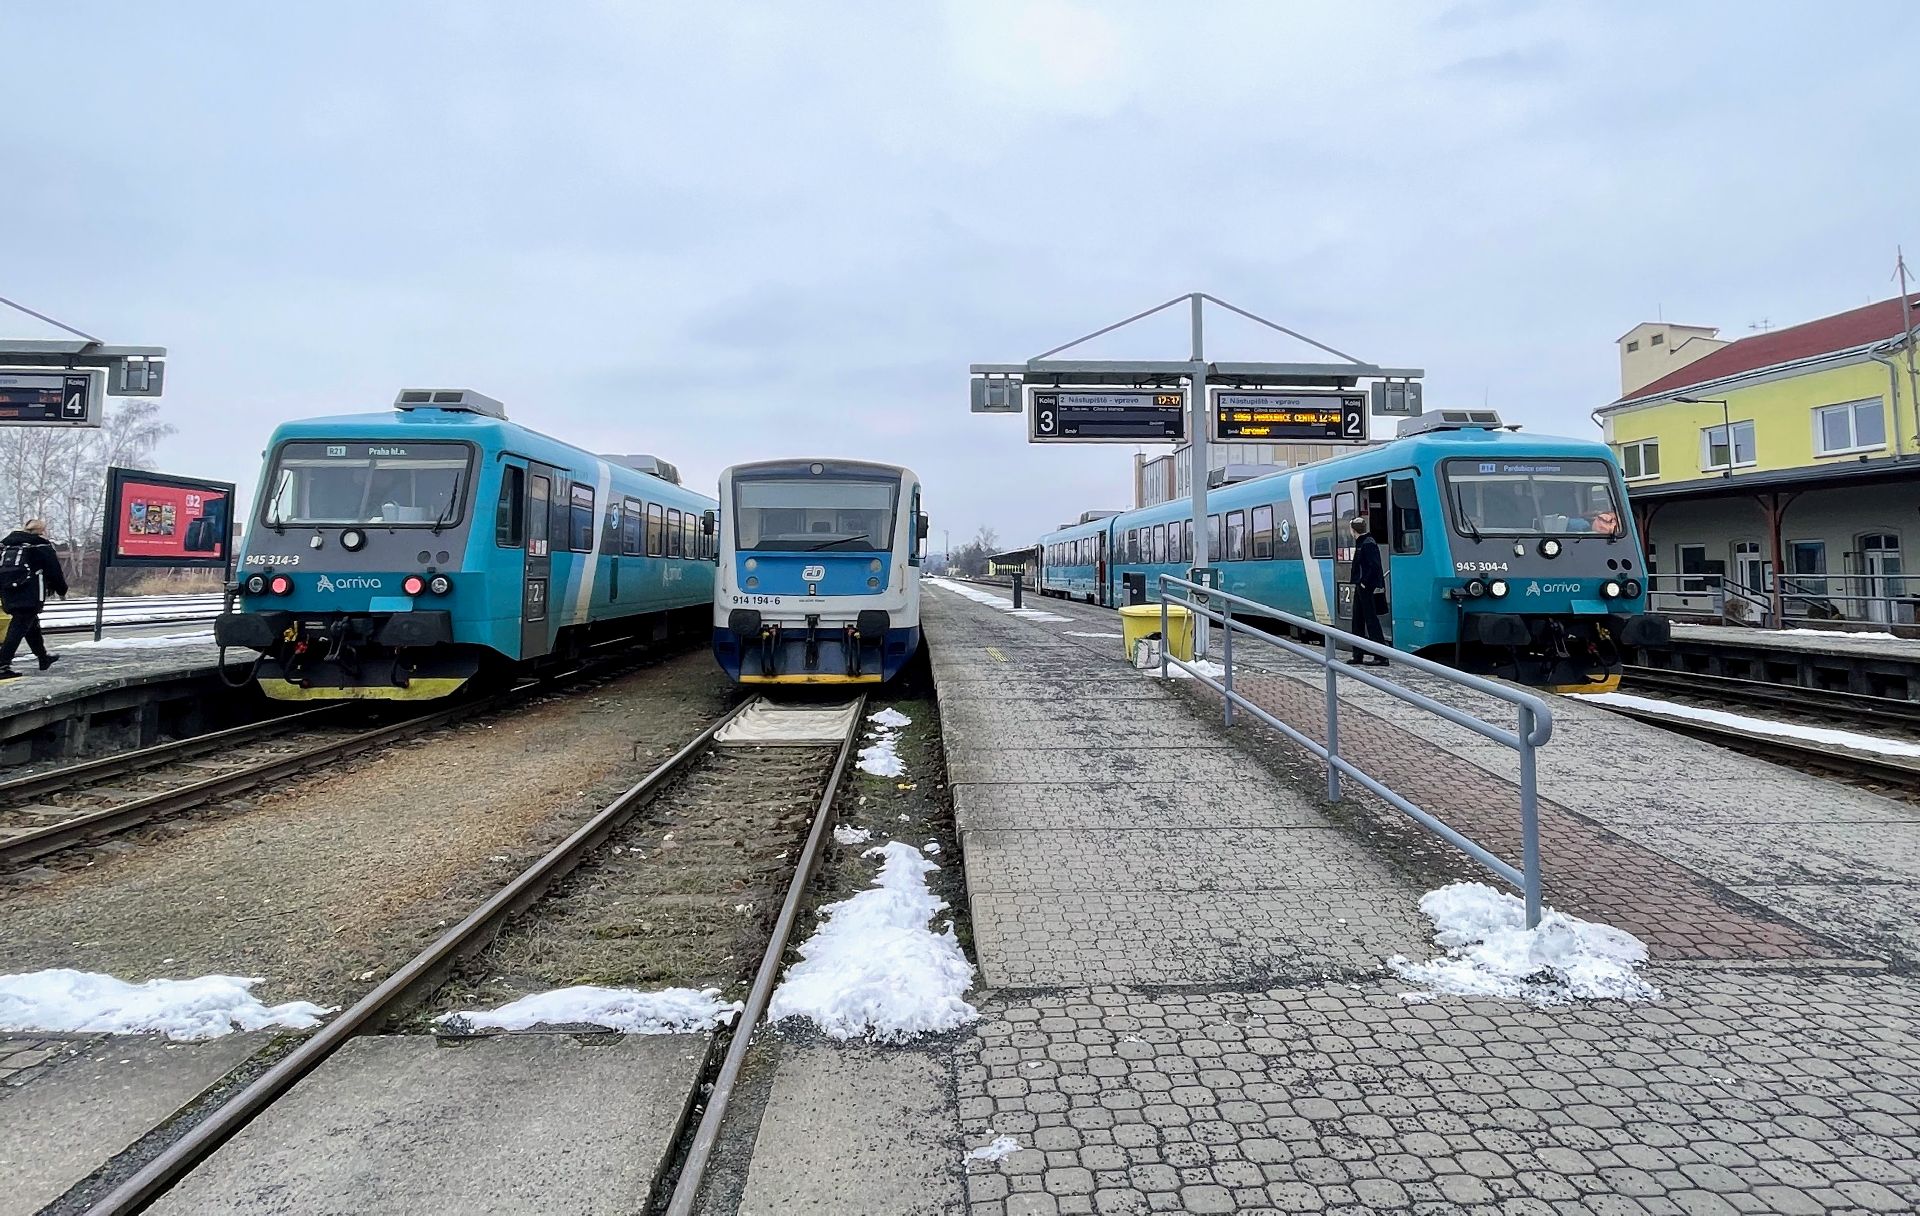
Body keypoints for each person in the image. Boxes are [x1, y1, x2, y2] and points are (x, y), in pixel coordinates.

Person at [0, 519, 69, 680]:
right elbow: (54, 571)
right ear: (41, 531)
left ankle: (43, 657)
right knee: (19, 626)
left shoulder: (5, 544)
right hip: (30, 594)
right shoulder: (40, 546)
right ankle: (3, 664)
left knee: (30, 624)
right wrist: (61, 589)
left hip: (8, 592)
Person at [1346, 516, 1388, 666]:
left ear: (1353, 530)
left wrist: (1364, 583)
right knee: (1357, 620)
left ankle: (1381, 656)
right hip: (1360, 586)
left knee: (1371, 621)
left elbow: (1374, 566)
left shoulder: (1368, 544)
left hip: (1365, 587)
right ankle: (1357, 655)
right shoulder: (1363, 543)